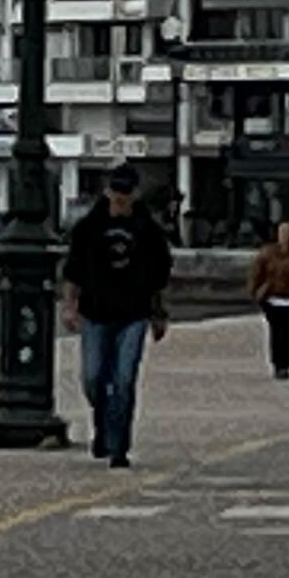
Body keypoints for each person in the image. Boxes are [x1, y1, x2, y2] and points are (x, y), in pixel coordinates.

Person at [61, 163, 173, 468]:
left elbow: (158, 276)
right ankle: (104, 426)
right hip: (95, 313)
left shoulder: (148, 230)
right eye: (116, 192)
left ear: (135, 194)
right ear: (108, 192)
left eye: (127, 192)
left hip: (133, 314)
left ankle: (118, 445)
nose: (121, 198)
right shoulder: (88, 228)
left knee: (124, 380)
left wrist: (158, 314)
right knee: (93, 377)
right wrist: (69, 305)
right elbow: (73, 270)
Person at [247, 216, 289, 381]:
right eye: (281, 232)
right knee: (276, 331)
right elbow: (257, 274)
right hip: (272, 297)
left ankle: (286, 364)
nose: (284, 236)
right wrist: (255, 292)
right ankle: (277, 364)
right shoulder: (267, 253)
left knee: (287, 332)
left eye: (287, 232)